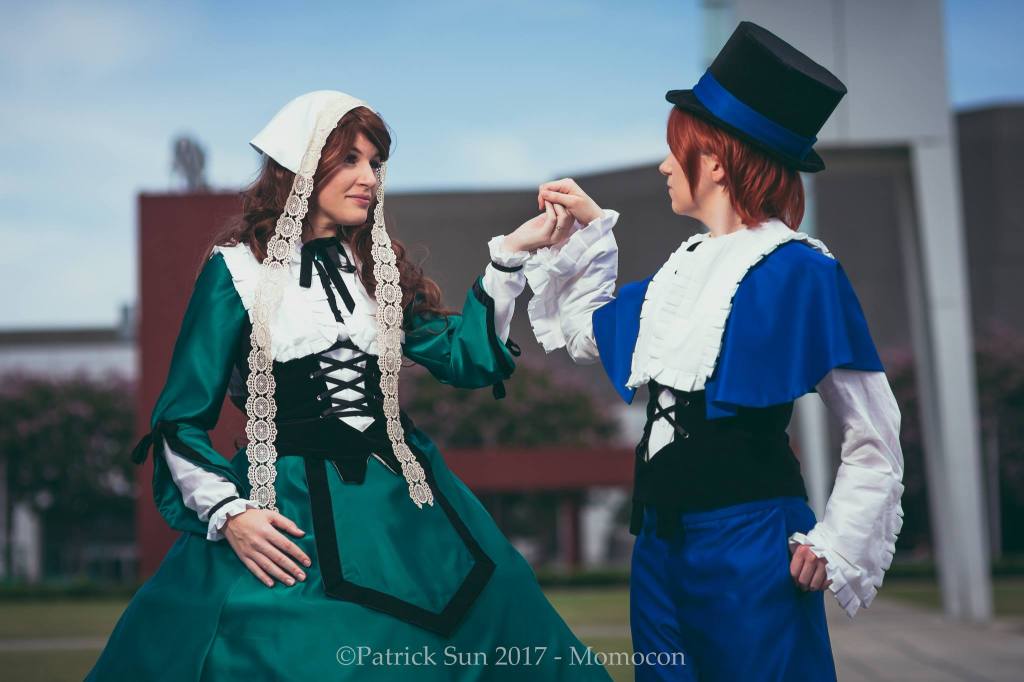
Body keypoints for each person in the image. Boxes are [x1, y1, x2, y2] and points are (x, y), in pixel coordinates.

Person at [85, 90, 610, 681]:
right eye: (351, 160)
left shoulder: (374, 271)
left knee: (502, 608)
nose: (370, 178)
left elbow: (468, 360)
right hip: (287, 504)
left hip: (405, 500)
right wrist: (231, 515)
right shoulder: (235, 271)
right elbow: (180, 420)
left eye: (376, 164)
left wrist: (511, 253)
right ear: (302, 165)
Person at [504, 22, 905, 681]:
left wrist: (838, 540)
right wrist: (590, 230)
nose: (666, 166)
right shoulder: (679, 272)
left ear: (715, 162)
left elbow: (875, 429)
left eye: (676, 151)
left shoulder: (804, 271)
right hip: (656, 544)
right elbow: (585, 334)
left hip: (751, 542)